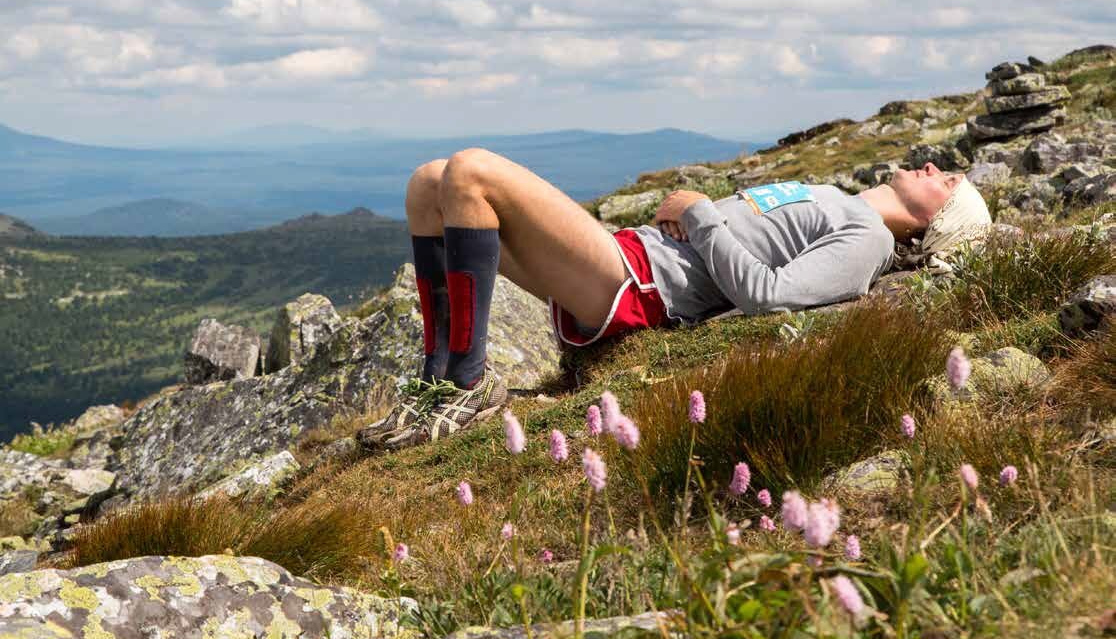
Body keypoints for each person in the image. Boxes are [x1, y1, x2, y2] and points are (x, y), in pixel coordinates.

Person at [356, 148, 992, 452]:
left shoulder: (869, 239)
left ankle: (464, 385)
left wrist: (701, 212)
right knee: (427, 184)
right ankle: (435, 384)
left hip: (640, 284)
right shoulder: (841, 198)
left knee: (471, 170)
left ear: (939, 220)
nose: (938, 169)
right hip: (625, 256)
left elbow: (771, 298)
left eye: (951, 182)